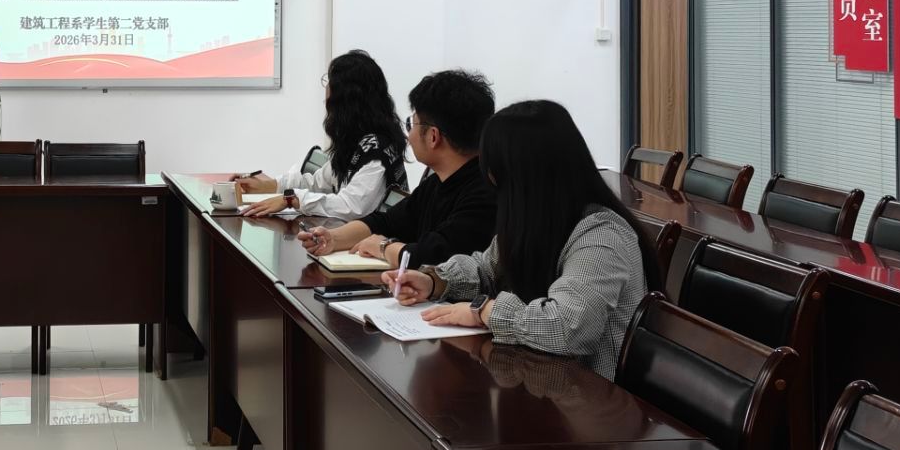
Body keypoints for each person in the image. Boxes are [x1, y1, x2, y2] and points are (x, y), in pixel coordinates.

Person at [383, 100, 654, 381]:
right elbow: (485, 269)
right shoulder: (540, 218)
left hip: (592, 395)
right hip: (543, 379)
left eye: (497, 175)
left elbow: (567, 328)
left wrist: (483, 311)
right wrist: (434, 281)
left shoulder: (602, 235)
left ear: (524, 177)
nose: (491, 185)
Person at [299, 69, 496, 269]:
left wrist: (384, 248)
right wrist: (333, 237)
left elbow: (437, 255)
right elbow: (386, 222)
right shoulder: (437, 182)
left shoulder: (484, 194)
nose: (409, 135)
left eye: (412, 124)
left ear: (433, 137)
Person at [236, 49, 406, 220]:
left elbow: (350, 207)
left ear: (347, 99)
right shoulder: (356, 140)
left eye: (331, 82)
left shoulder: (376, 148)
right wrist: (269, 186)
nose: (326, 94)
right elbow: (318, 182)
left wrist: (292, 199)